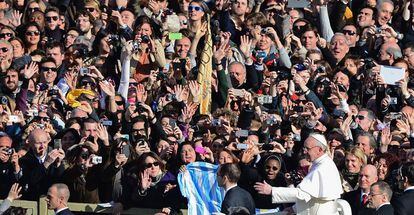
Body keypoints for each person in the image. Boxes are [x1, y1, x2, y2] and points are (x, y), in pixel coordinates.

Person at [254, 133, 343, 215]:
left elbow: (302, 194)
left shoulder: (322, 167)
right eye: (304, 148)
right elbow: (311, 197)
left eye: (307, 149)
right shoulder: (319, 163)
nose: (304, 152)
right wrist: (294, 209)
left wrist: (272, 191)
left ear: (319, 150)